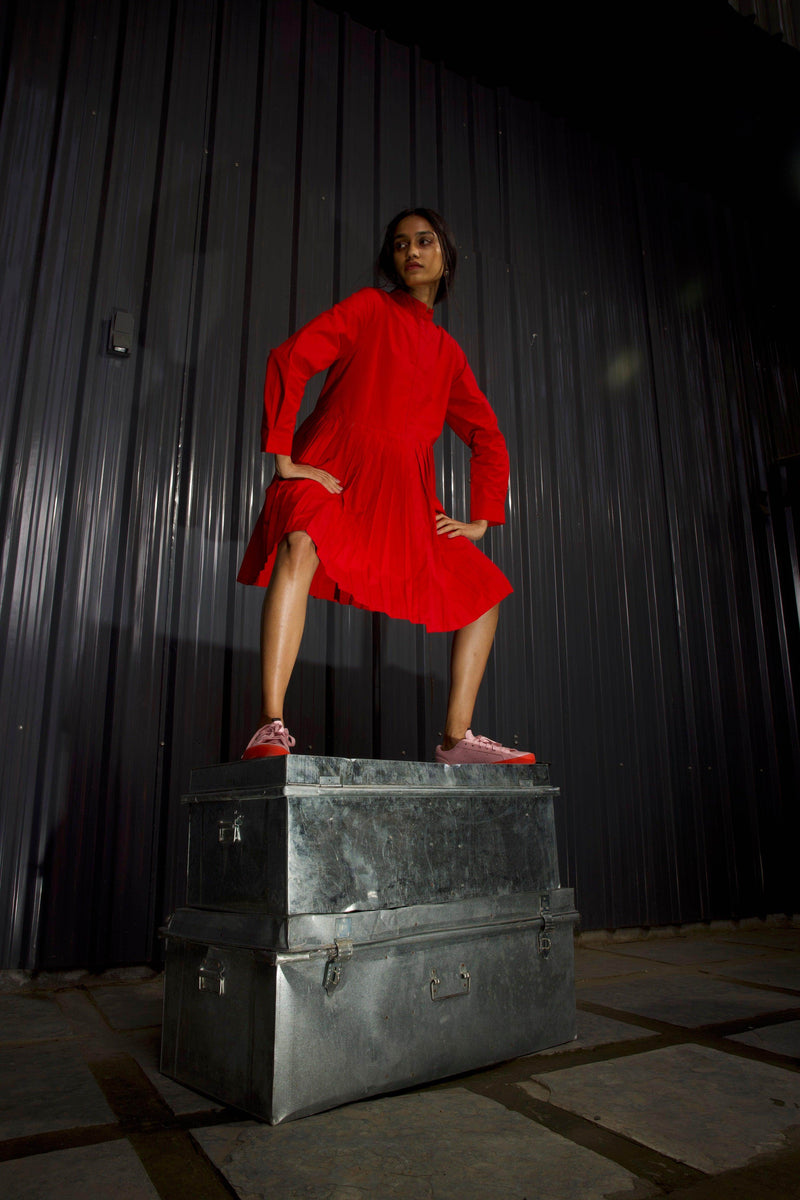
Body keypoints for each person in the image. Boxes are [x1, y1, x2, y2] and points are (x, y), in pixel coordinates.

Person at [237, 207, 535, 765]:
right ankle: (269, 725)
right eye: (400, 244)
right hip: (334, 469)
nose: (411, 252)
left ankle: (456, 740)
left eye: (424, 241)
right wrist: (284, 458)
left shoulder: (447, 354)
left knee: (484, 593)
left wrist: (482, 518)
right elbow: (289, 358)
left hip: (402, 497)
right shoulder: (369, 308)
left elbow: (488, 437)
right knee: (300, 540)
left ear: (446, 257)